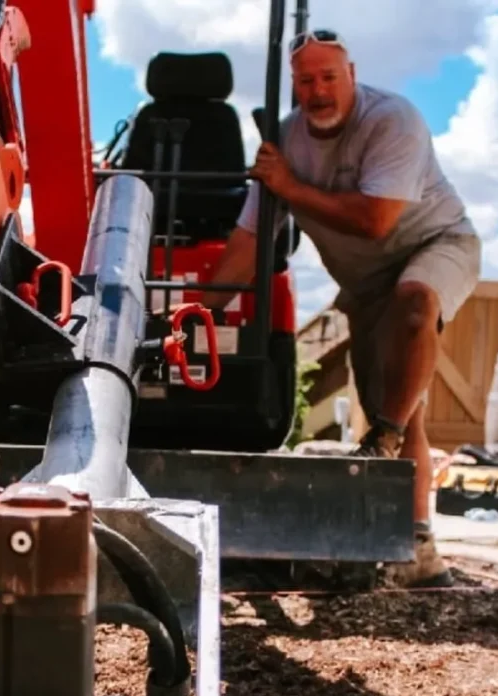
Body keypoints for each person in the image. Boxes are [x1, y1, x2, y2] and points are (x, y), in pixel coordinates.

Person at [202, 29, 481, 589]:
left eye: (329, 77)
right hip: (366, 285)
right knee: (400, 404)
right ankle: (417, 549)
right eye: (306, 80)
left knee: (414, 310)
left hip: (434, 247)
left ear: (352, 75)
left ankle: (385, 439)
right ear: (294, 87)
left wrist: (288, 185)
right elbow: (246, 246)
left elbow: (375, 222)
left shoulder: (391, 120)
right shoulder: (285, 143)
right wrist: (189, 316)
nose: (318, 90)